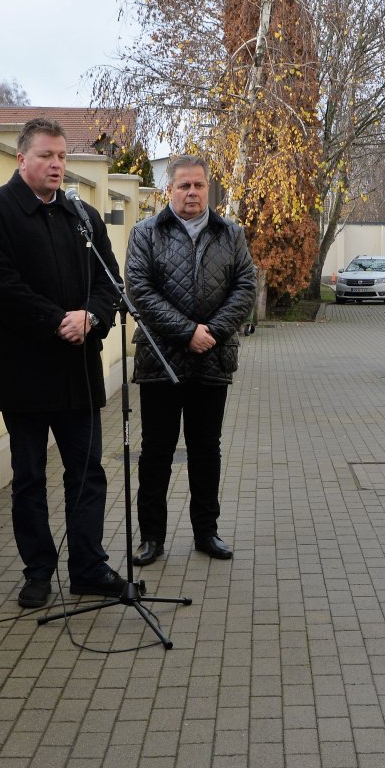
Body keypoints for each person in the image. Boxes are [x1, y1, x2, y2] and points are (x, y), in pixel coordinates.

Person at [0, 117, 126, 608]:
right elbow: (1, 288)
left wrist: (92, 317)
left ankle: (88, 567)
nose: (56, 165)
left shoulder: (83, 215)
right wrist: (58, 320)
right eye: (46, 156)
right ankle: (38, 571)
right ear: (22, 159)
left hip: (78, 371)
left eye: (61, 156)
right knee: (30, 478)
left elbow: (110, 281)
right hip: (24, 373)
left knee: (87, 473)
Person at [126, 156, 257, 566]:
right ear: (170, 190)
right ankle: (151, 538)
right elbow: (140, 290)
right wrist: (187, 332)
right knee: (156, 453)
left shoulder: (230, 234)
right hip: (160, 361)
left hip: (212, 359)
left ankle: (206, 533)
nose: (192, 193)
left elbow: (245, 286)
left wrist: (211, 332)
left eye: (199, 185)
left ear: (207, 189)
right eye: (184, 186)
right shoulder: (146, 233)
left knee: (206, 451)